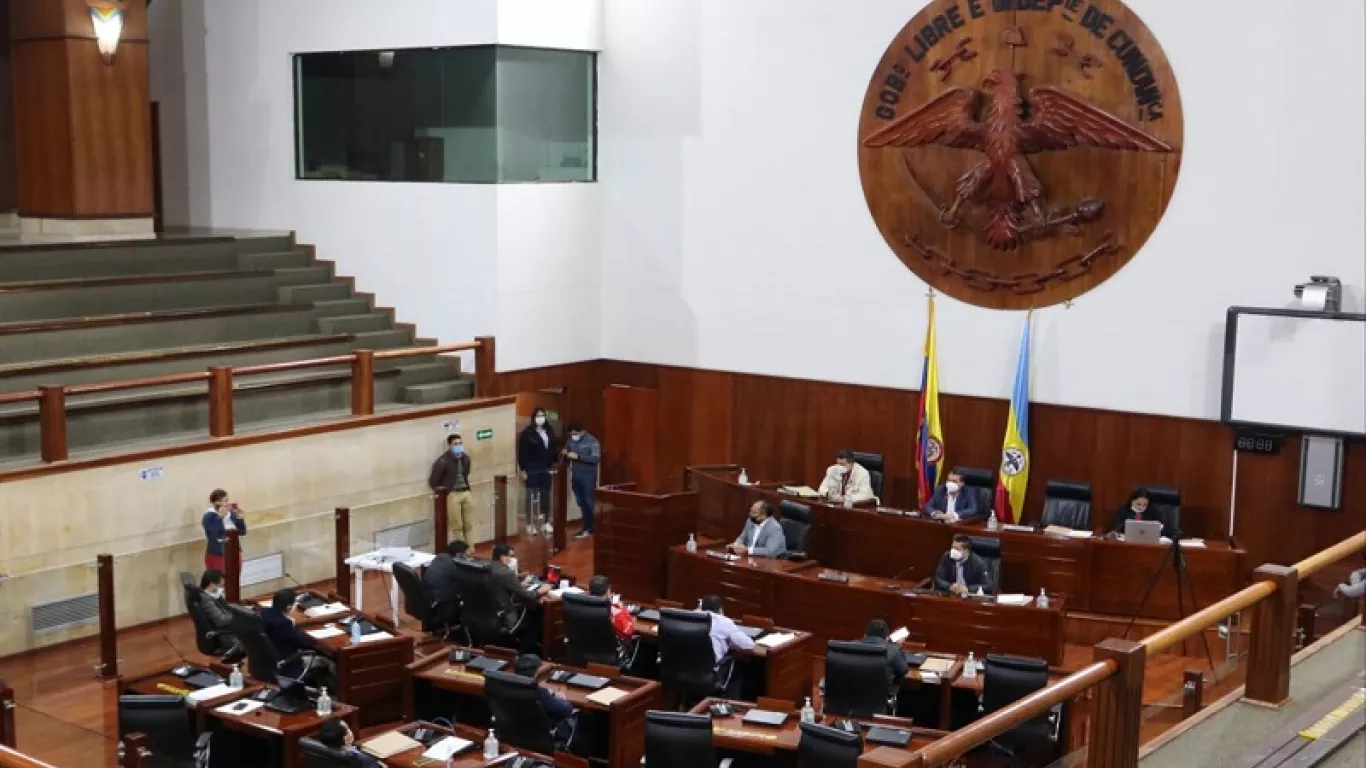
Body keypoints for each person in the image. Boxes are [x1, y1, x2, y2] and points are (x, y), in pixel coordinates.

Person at [260, 588, 335, 685]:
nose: (296, 605)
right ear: (288, 607)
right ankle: (334, 692)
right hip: (289, 663)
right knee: (329, 660)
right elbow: (304, 643)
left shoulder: (264, 612)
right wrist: (294, 627)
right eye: (295, 603)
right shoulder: (284, 624)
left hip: (269, 661)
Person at [490, 543, 552, 648]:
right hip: (508, 613)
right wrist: (540, 591)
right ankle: (529, 648)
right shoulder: (506, 573)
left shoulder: (489, 566)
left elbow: (501, 584)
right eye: (511, 556)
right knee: (536, 610)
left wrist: (517, 581)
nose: (512, 559)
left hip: (492, 610)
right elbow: (525, 596)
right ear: (503, 557)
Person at [512, 653, 576, 742]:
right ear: (537, 673)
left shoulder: (508, 687)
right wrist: (562, 698)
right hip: (540, 739)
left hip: (515, 735)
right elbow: (567, 710)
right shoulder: (540, 694)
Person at [700, 595, 753, 697]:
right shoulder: (724, 621)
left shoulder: (689, 617)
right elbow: (748, 645)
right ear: (720, 609)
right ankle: (732, 705)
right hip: (711, 673)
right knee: (740, 666)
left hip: (681, 672)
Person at [429, 434, 475, 545]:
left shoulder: (465, 458)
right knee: (457, 525)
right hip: (453, 494)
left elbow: (466, 473)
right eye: (455, 444)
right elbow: (433, 481)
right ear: (449, 446)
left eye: (460, 443)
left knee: (468, 524)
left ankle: (471, 549)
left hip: (466, 491)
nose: (458, 446)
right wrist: (446, 491)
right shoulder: (443, 461)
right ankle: (462, 551)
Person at [518, 407, 559, 533]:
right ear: (533, 417)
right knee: (531, 495)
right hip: (532, 468)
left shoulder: (549, 431)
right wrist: (523, 469)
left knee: (545, 494)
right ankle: (530, 524)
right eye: (538, 415)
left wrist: (555, 463)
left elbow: (553, 448)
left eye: (542, 415)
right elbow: (522, 453)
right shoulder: (527, 433)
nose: (540, 418)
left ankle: (545, 521)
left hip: (546, 467)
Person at [562, 423, 601, 539]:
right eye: (571, 434)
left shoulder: (592, 441)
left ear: (583, 431)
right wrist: (565, 454)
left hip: (588, 476)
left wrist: (578, 457)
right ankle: (586, 527)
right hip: (576, 475)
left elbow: (595, 458)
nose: (573, 436)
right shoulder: (570, 441)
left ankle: (591, 528)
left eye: (575, 433)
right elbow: (567, 453)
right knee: (581, 502)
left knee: (589, 502)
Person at [421, 540, 470, 628]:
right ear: (459, 555)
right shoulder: (454, 566)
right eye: (466, 554)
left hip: (428, 599)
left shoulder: (439, 557)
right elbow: (464, 582)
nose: (467, 557)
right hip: (442, 604)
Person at [856, 619, 909, 697]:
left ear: (865, 634)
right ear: (887, 637)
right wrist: (898, 647)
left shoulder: (849, 646)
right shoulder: (893, 650)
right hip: (879, 700)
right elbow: (903, 670)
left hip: (849, 699)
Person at [196, 570, 240, 658]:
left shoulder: (213, 595)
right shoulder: (206, 600)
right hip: (226, 635)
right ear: (212, 585)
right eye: (221, 585)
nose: (222, 588)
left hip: (229, 629)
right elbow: (221, 620)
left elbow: (226, 608)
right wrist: (238, 616)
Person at [202, 489, 247, 572]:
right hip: (218, 555)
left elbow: (242, 532)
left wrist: (240, 519)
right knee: (221, 582)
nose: (227, 504)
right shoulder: (209, 516)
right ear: (216, 503)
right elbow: (213, 535)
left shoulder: (231, 513)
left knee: (234, 581)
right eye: (225, 501)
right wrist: (220, 518)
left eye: (227, 500)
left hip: (234, 553)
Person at [1109, 488, 1175, 539]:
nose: (1141, 507)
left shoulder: (1154, 512)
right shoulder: (1122, 511)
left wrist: (1160, 529)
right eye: (1138, 504)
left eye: (1145, 505)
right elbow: (1118, 528)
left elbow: (1166, 531)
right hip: (1127, 543)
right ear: (1132, 501)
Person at [314, 719, 382, 768]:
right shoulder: (362, 759)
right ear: (345, 739)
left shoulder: (319, 751)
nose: (350, 730)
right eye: (348, 728)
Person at [587, 574, 634, 642]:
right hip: (608, 649)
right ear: (607, 592)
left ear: (589, 591)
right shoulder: (615, 613)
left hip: (586, 646)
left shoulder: (581, 607)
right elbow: (629, 632)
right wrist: (623, 610)